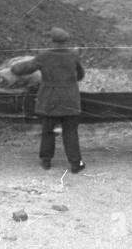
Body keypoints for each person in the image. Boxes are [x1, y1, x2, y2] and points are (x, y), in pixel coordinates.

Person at [11, 28, 86, 173]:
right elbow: (81, 75)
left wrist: (13, 67)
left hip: (49, 99)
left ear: (51, 41)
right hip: (70, 99)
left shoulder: (44, 56)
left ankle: (46, 162)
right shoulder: (73, 56)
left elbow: (24, 69)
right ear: (66, 41)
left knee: (48, 131)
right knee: (70, 132)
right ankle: (76, 164)